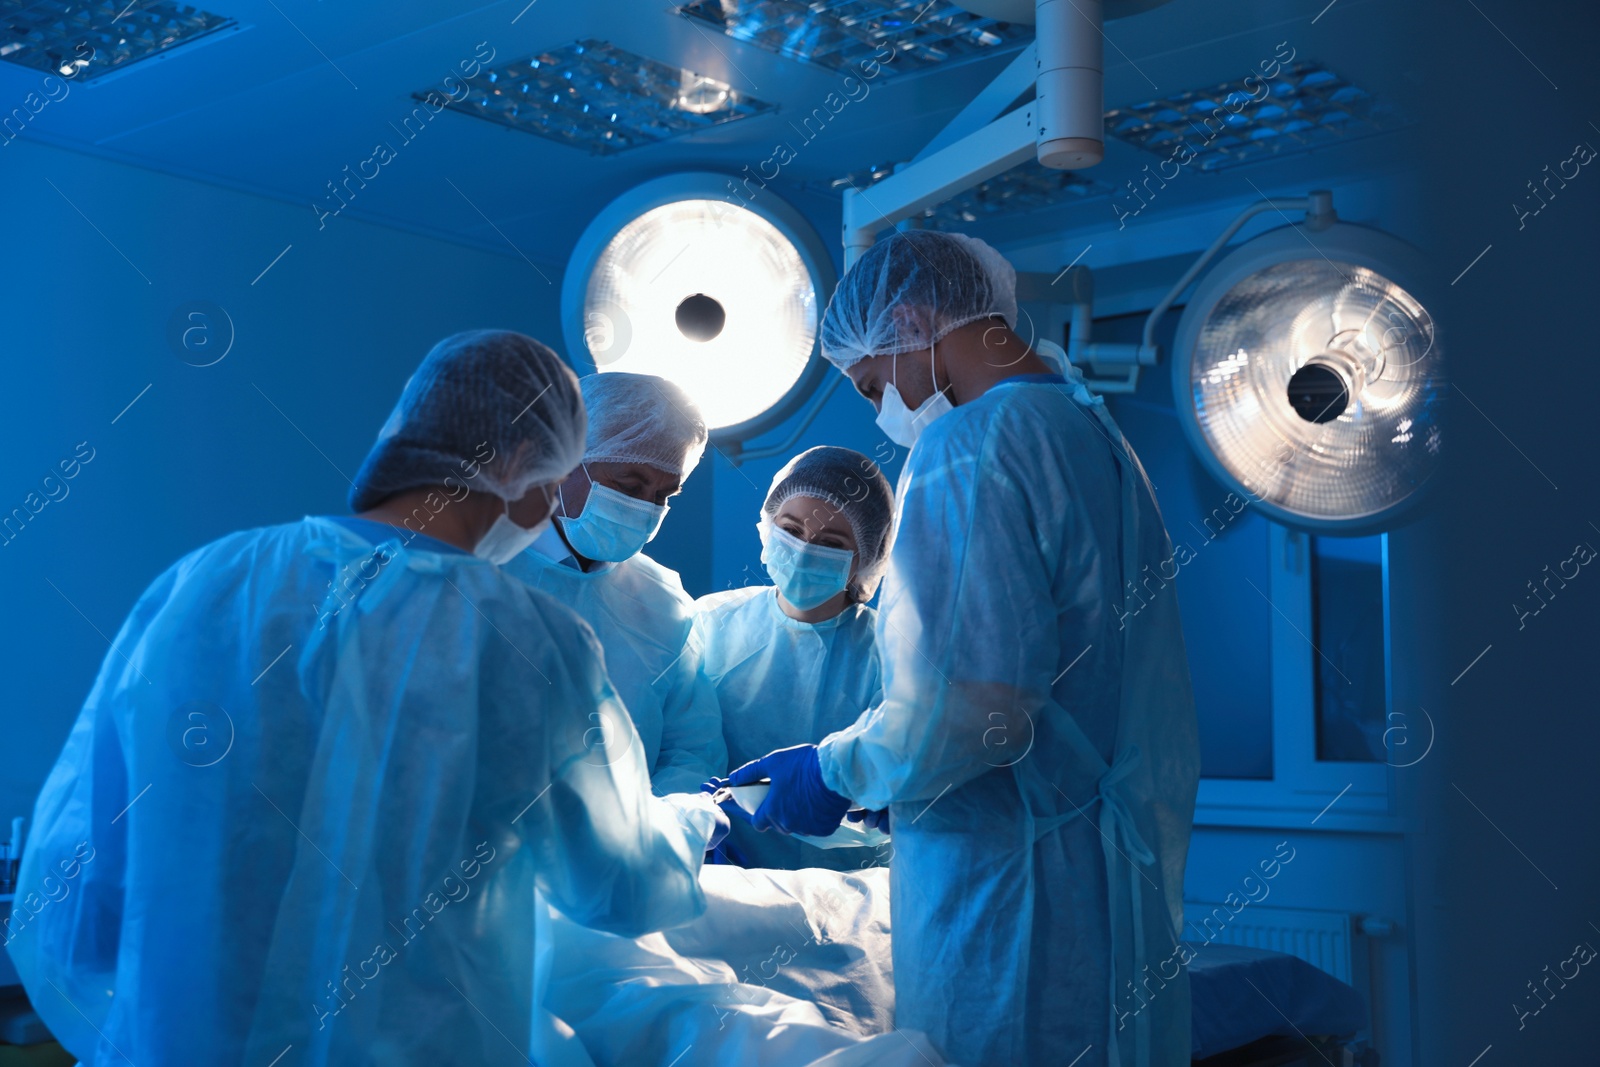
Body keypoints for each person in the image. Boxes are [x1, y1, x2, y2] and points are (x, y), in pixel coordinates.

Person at [4, 330, 725, 1067]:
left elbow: (80, 886)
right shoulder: (535, 640)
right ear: (519, 460)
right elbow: (622, 891)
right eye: (559, 471)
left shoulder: (208, 581)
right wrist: (694, 819)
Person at [725, 232, 1202, 1067]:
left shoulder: (971, 444)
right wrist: (898, 786)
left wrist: (834, 770)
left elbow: (978, 709)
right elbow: (1053, 689)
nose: (883, 409)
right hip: (1096, 884)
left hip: (1010, 905)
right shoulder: (1095, 433)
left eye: (873, 382)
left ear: (908, 319)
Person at [503, 371, 725, 796]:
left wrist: (644, 834)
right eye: (628, 485)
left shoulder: (662, 603)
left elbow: (692, 750)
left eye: (664, 496)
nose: (645, 508)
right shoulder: (469, 572)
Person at [693, 446, 895, 871]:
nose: (804, 550)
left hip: (849, 887)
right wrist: (693, 825)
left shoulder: (889, 652)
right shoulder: (712, 622)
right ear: (767, 526)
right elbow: (681, 743)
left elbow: (896, 780)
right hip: (724, 872)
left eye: (831, 543)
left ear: (867, 558)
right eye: (791, 529)